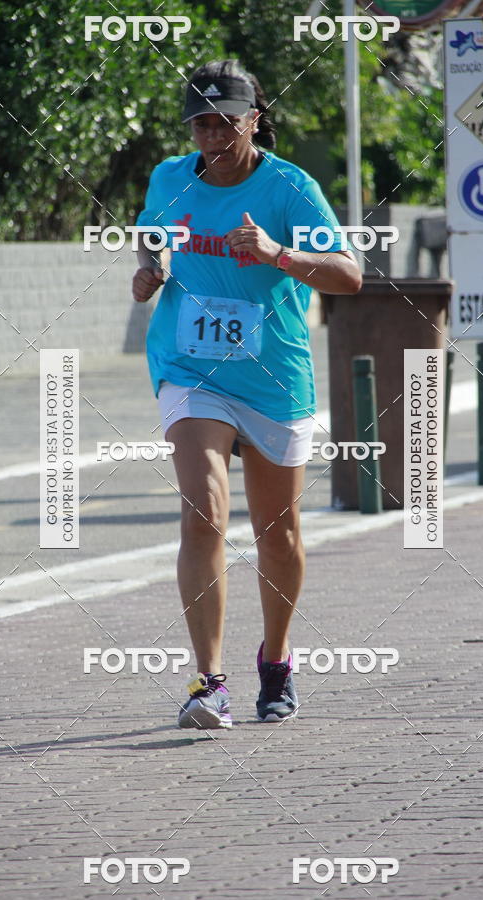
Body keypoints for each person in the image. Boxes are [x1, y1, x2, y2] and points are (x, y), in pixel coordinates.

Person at [132, 59, 361, 729]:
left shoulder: (290, 188)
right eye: (200, 124)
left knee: (277, 535)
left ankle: (277, 660)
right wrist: (148, 270)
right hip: (189, 367)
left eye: (225, 123)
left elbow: (348, 275)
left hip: (272, 376)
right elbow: (151, 235)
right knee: (202, 512)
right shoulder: (170, 177)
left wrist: (276, 254)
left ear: (254, 120)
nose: (212, 136)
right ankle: (209, 684)